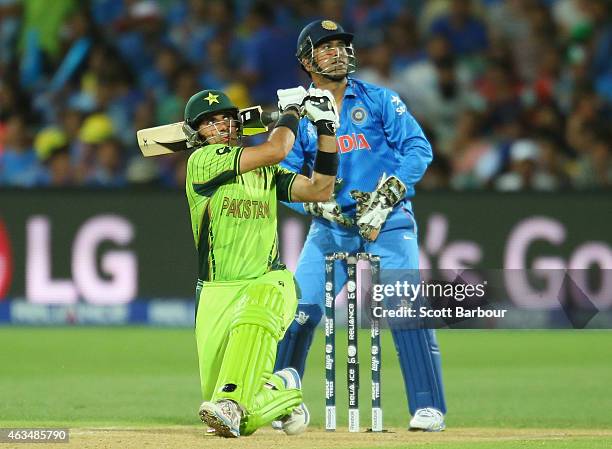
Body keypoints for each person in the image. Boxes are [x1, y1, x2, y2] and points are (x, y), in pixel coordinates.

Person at [274, 19, 447, 431]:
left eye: (341, 46)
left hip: (387, 222)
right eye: (326, 47)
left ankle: (429, 408)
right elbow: (282, 177)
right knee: (299, 311)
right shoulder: (296, 115)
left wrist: (387, 195)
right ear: (306, 60)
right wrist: (319, 209)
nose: (337, 53)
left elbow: (418, 148)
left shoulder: (378, 99)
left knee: (404, 309)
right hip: (331, 228)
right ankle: (282, 402)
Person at [182, 87, 340, 438]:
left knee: (229, 400)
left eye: (226, 118)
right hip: (216, 293)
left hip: (269, 282)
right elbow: (278, 148)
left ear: (238, 125)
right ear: (197, 134)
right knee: (228, 401)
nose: (221, 126)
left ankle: (235, 402)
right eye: (210, 122)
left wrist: (328, 130)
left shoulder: (267, 173)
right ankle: (282, 392)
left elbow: (321, 190)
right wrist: (294, 112)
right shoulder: (203, 162)